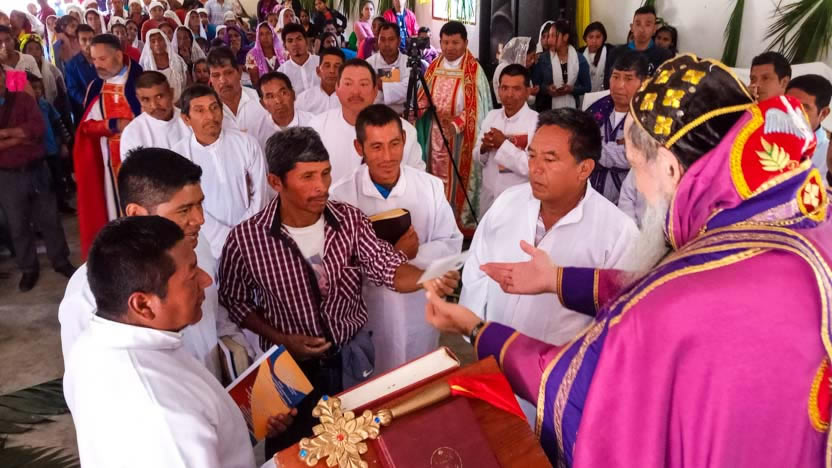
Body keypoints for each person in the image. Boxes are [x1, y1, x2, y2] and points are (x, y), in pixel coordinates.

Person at [427, 53, 832, 466]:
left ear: (670, 169)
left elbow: (583, 394)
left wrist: (474, 327)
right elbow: (643, 286)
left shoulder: (674, 292)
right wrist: (556, 279)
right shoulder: (795, 216)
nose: (637, 184)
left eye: (637, 167)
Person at [217, 125, 459, 457]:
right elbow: (235, 300)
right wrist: (281, 338)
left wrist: (426, 279)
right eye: (307, 177)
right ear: (276, 182)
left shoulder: (349, 221)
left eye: (326, 173)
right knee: (296, 454)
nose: (322, 187)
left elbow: (388, 266)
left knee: (361, 448)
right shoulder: (247, 239)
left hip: (351, 359)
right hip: (289, 370)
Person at [63, 216, 290, 468]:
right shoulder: (165, 417)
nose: (207, 280)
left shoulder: (93, 343)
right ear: (143, 304)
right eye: (192, 274)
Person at [460, 105, 637, 417]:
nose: (535, 169)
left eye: (550, 159)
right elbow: (477, 268)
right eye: (532, 155)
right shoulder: (508, 203)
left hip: (556, 382)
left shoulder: (617, 232)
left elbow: (618, 325)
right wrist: (475, 332)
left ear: (584, 169)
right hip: (492, 360)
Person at [61, 147, 253, 376]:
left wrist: (241, 354)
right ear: (136, 213)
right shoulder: (85, 296)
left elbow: (213, 310)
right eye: (184, 210)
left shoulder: (195, 244)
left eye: (200, 204)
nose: (200, 219)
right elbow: (89, 381)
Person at [329, 104, 463, 373]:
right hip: (369, 313)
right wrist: (397, 254)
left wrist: (411, 255)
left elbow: (450, 244)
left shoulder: (429, 187)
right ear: (359, 148)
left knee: (419, 375)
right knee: (375, 381)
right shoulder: (341, 195)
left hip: (419, 308)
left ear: (404, 140)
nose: (388, 157)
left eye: (394, 144)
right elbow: (339, 266)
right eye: (376, 147)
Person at [173, 84, 270, 258]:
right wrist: (224, 238)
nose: (210, 116)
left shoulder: (246, 143)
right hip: (207, 244)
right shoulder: (179, 156)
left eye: (214, 108)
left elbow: (260, 193)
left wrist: (244, 233)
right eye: (200, 110)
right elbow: (187, 205)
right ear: (186, 119)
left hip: (253, 237)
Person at [0, 66, 74, 292]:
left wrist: (4, 134)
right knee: (18, 224)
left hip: (37, 168)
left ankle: (60, 260)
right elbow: (27, 133)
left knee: (50, 218)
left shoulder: (23, 99)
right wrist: (21, 135)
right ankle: (28, 268)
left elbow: (37, 129)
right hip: (7, 175)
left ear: (4, 76)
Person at [417, 21, 492, 236]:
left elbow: (478, 109)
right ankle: (436, 222)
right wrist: (418, 110)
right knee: (433, 178)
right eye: (445, 42)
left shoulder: (473, 71)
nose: (449, 47)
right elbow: (423, 96)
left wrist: (455, 125)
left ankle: (458, 224)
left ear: (465, 43)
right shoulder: (434, 67)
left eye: (455, 43)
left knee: (458, 182)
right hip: (434, 135)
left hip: (461, 138)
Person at [73, 33, 142, 258]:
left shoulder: (141, 80)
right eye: (94, 59)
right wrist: (112, 125)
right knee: (115, 209)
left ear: (119, 56)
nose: (97, 65)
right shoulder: (96, 87)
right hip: (110, 162)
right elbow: (85, 127)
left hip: (141, 158)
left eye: (102, 59)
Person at [310, 58, 424, 183]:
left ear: (375, 91)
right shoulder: (317, 128)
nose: (356, 92)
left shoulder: (403, 130)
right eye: (348, 84)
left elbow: (417, 180)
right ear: (337, 88)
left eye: (363, 84)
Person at [474, 64, 538, 215]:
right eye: (504, 88)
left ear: (527, 92)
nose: (509, 94)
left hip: (517, 203)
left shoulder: (536, 122)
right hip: (489, 199)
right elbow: (477, 157)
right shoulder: (492, 116)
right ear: (498, 90)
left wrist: (502, 144)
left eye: (516, 89)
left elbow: (531, 166)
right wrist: (483, 148)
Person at [587, 50, 648, 204]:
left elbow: (632, 157)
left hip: (628, 205)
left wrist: (591, 150)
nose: (619, 85)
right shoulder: (596, 109)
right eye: (615, 77)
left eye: (628, 79)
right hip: (589, 199)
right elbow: (577, 144)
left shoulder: (649, 118)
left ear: (643, 82)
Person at [206, 46, 272, 148]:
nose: (223, 81)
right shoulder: (206, 111)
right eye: (216, 75)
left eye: (228, 73)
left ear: (239, 72)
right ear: (210, 79)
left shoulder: (261, 100)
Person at [28, 72, 74, 214]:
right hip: (37, 154)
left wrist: (64, 144)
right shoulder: (25, 109)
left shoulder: (45, 104)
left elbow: (58, 124)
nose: (37, 91)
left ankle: (62, 204)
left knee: (58, 178)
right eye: (33, 88)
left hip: (52, 149)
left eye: (39, 88)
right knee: (44, 183)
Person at [119, 71, 189, 158]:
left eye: (159, 97)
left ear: (171, 93)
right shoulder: (132, 133)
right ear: (138, 100)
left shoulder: (191, 121)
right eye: (146, 99)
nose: (154, 106)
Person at [603, 6, 673, 88]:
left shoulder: (665, 56)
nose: (642, 29)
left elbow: (666, 87)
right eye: (638, 24)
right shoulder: (616, 53)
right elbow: (608, 84)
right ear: (632, 27)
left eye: (647, 25)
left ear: (654, 29)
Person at [532, 19, 590, 111]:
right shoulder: (543, 59)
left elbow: (587, 87)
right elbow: (535, 84)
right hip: (546, 110)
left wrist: (571, 89)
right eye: (549, 36)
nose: (549, 41)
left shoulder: (579, 60)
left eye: (553, 36)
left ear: (565, 37)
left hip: (572, 111)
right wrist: (547, 89)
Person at [786, 74, 831, 178]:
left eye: (804, 108)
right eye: (788, 104)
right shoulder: (764, 140)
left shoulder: (828, 159)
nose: (793, 113)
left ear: (824, 113)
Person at [258, 71, 312, 148]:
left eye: (283, 93)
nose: (278, 101)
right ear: (263, 104)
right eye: (270, 97)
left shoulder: (313, 122)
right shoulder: (258, 131)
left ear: (293, 95)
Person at [366, 22, 408, 114]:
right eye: (382, 39)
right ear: (377, 41)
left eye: (391, 39)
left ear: (399, 41)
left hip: (401, 116)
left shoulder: (408, 63)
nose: (387, 44)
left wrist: (378, 82)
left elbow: (407, 91)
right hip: (374, 115)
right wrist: (395, 85)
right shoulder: (368, 63)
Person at [139, 28, 187, 100]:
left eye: (160, 40)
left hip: (180, 102)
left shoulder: (178, 60)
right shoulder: (146, 66)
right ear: (149, 46)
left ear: (165, 41)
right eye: (153, 41)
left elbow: (187, 83)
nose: (157, 44)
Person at [20, 33, 66, 105]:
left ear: (42, 52)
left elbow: (61, 93)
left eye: (37, 49)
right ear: (23, 53)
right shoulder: (20, 71)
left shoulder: (52, 69)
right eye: (30, 49)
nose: (34, 52)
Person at [64, 24, 97, 120]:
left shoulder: (102, 59)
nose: (88, 43)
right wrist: (86, 101)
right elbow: (72, 89)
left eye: (91, 39)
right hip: (86, 109)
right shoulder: (72, 65)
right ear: (77, 42)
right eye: (84, 40)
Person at [295, 46, 342, 114]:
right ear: (318, 71)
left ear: (344, 72)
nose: (332, 71)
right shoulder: (303, 100)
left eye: (337, 66)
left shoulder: (351, 99)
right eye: (327, 66)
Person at [491, 36, 537, 105]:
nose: (533, 61)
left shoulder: (523, 70)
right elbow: (510, 97)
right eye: (531, 57)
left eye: (534, 57)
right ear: (522, 54)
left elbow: (531, 100)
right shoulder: (504, 68)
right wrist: (528, 92)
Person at [277, 22, 319, 95]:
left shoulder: (321, 63)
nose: (295, 44)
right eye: (290, 41)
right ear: (284, 46)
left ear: (306, 41)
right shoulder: (282, 73)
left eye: (299, 39)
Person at [245, 21, 284, 87]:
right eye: (261, 34)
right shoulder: (251, 55)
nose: (265, 37)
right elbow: (255, 82)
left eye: (268, 33)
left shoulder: (282, 52)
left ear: (273, 34)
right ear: (258, 36)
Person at [579, 21, 613, 92]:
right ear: (585, 38)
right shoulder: (579, 53)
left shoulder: (611, 52)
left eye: (598, 37)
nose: (594, 41)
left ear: (603, 38)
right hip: (583, 95)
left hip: (605, 94)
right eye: (590, 37)